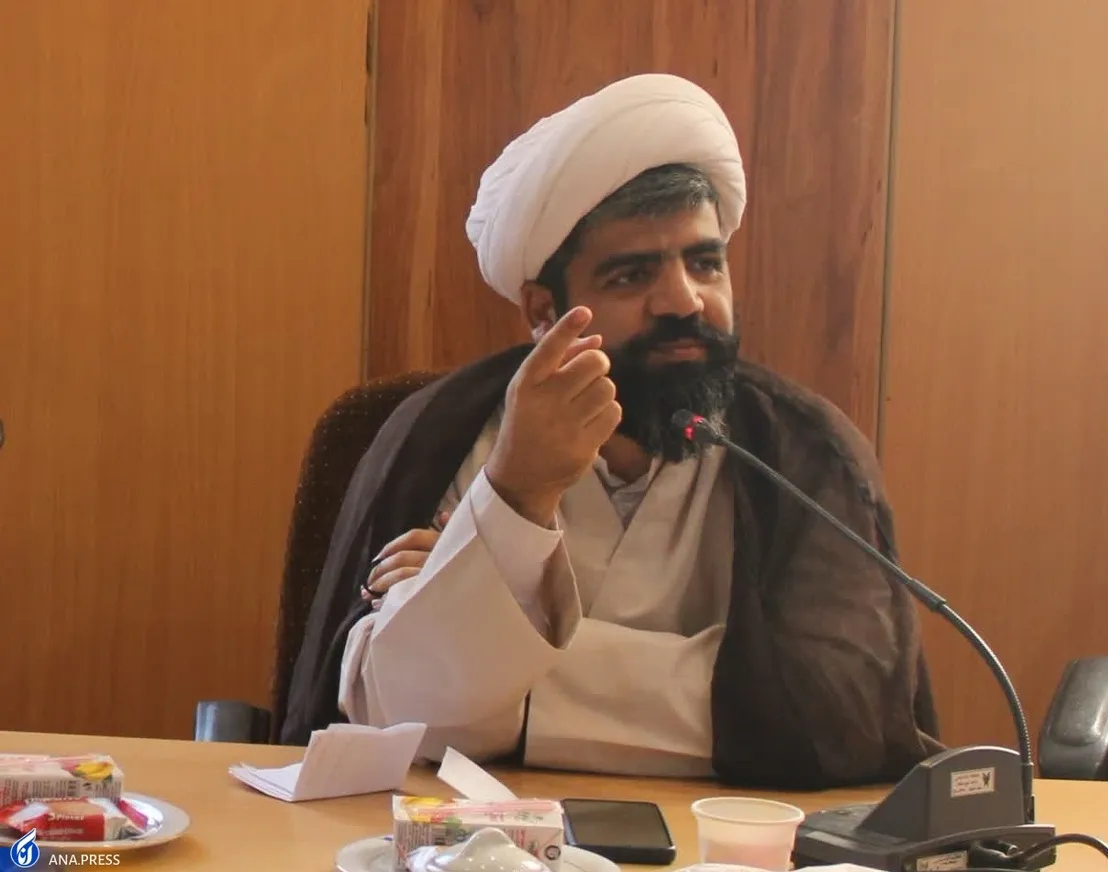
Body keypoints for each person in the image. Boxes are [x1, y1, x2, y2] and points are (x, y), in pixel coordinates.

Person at [281, 73, 942, 788]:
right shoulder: (447, 437)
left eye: (705, 263)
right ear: (543, 311)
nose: (684, 301)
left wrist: (482, 639)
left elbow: (836, 712)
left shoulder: (801, 449)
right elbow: (397, 715)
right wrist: (514, 496)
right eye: (631, 276)